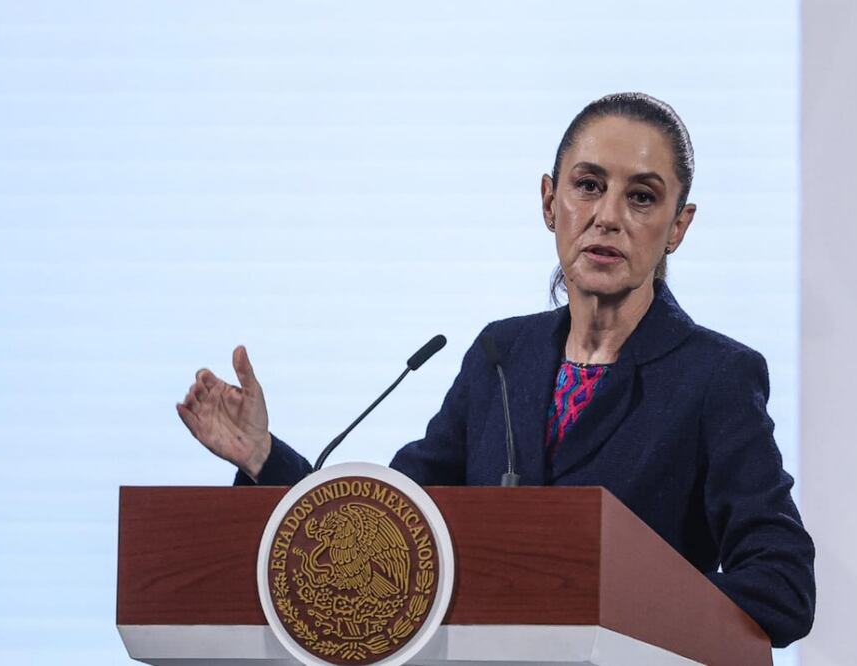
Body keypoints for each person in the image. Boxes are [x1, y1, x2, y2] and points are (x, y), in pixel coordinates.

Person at [176, 92, 816, 647]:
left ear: (678, 226)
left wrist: (621, 607)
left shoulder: (715, 377)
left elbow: (782, 585)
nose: (608, 216)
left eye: (642, 197)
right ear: (549, 200)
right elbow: (392, 526)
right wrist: (264, 457)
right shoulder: (500, 358)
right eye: (588, 185)